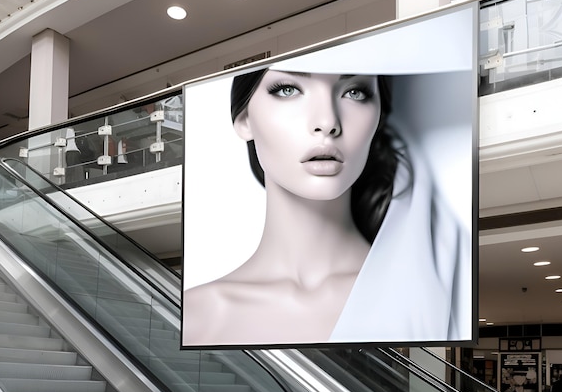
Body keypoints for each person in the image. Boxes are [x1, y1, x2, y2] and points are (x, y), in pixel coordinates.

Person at [182, 66, 468, 347]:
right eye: (288, 89)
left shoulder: (426, 296)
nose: (327, 121)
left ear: (379, 116)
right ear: (244, 119)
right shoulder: (198, 315)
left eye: (355, 92)